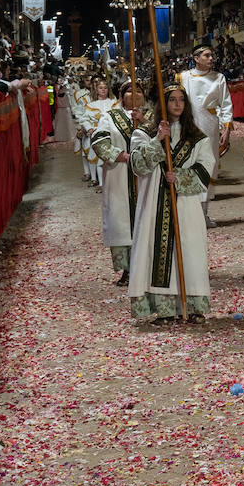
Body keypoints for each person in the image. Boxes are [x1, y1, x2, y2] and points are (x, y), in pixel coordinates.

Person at [127, 84, 216, 323]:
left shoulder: (196, 137)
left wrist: (182, 177)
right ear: (163, 104)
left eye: (181, 100)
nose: (177, 104)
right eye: (172, 100)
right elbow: (137, 165)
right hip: (154, 206)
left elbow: (206, 167)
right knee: (154, 251)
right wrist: (157, 140)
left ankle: (192, 305)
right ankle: (163, 308)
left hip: (186, 205)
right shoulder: (144, 132)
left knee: (188, 251)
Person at [90, 81, 145, 286]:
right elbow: (99, 141)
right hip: (120, 174)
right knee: (122, 220)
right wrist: (119, 155)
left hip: (147, 177)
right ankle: (128, 269)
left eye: (139, 90)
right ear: (121, 95)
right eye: (130, 90)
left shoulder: (150, 117)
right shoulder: (109, 117)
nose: (135, 94)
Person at [177, 45, 233, 226]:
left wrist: (226, 129)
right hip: (187, 125)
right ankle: (188, 213)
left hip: (209, 125)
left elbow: (225, 104)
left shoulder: (219, 78)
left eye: (212, 55)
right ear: (196, 58)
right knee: (188, 165)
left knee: (208, 166)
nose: (211, 58)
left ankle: (204, 213)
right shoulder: (183, 77)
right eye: (206, 55)